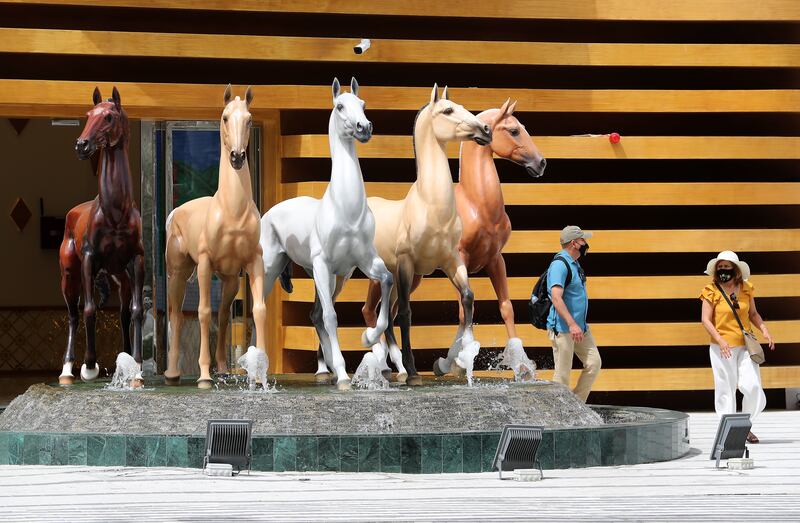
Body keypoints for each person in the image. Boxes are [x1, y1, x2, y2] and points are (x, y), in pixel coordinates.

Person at [700, 250, 775, 443]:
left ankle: (744, 425)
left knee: (753, 387)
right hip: (721, 348)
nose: (724, 270)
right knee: (725, 390)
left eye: (727, 267)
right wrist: (720, 339)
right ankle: (728, 431)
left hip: (744, 347)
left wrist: (764, 329)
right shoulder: (711, 290)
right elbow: (705, 320)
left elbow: (753, 314)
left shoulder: (746, 288)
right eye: (720, 267)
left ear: (736, 269)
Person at [547, 225, 601, 402]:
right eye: (583, 240)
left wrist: (578, 325)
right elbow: (556, 297)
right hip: (564, 328)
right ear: (574, 243)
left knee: (594, 363)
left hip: (580, 328)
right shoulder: (559, 265)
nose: (586, 243)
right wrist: (571, 324)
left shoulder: (575, 264)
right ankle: (558, 415)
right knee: (562, 376)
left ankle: (576, 406)